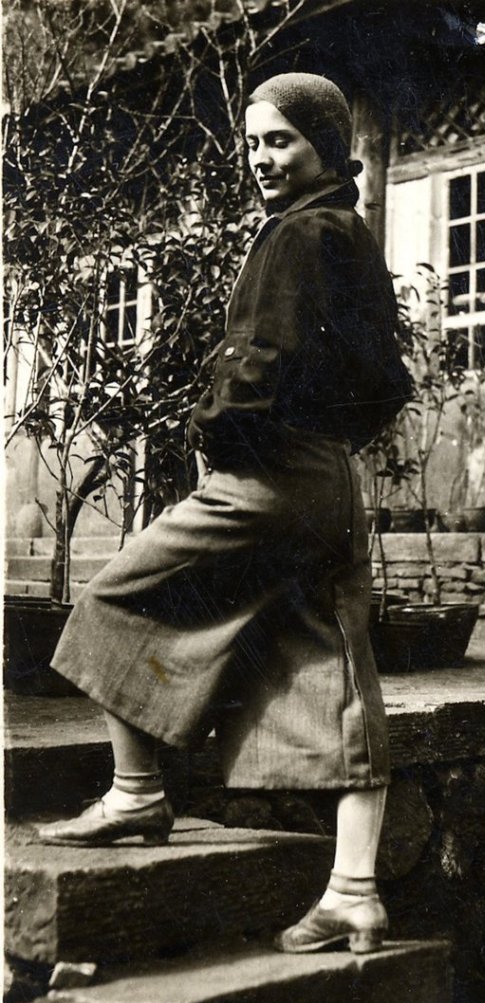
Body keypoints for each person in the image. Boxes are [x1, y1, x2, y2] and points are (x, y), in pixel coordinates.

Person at [39, 72, 411, 955]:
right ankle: (354, 892)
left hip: (268, 476)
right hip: (323, 478)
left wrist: (219, 430)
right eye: (252, 143)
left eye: (280, 140)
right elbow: (386, 381)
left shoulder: (300, 233)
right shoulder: (347, 230)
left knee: (116, 597)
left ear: (325, 144)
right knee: (332, 671)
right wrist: (327, 442)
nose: (261, 159)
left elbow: (260, 357)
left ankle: (136, 794)